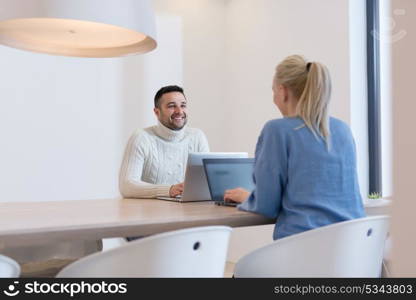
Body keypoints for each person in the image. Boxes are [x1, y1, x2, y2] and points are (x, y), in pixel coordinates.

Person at [224, 55, 365, 240]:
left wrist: (247, 197)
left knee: (241, 269)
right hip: (352, 247)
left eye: (273, 90)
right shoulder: (342, 130)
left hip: (303, 247)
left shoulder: (277, 130)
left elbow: (266, 206)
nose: (274, 97)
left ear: (283, 92)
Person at [119, 85, 209, 199]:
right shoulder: (141, 137)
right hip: (150, 213)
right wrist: (169, 190)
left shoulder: (197, 136)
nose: (179, 111)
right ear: (157, 112)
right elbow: (126, 186)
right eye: (171, 106)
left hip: (188, 211)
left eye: (183, 105)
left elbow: (206, 182)